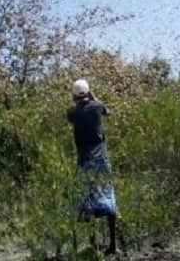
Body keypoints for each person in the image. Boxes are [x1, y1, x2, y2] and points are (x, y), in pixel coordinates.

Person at [67, 78, 117, 255]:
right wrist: (93, 97)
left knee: (87, 202)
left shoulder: (72, 112)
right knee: (108, 199)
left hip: (84, 161)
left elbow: (74, 110)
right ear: (88, 92)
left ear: (74, 96)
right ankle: (112, 245)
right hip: (101, 160)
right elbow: (107, 112)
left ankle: (94, 243)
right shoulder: (97, 106)